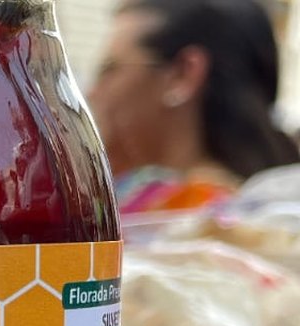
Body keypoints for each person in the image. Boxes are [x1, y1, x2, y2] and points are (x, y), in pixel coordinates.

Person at [88, 0, 300, 214]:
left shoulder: (216, 219)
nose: (92, 92)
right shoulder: (265, 211)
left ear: (183, 74)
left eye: (110, 69)